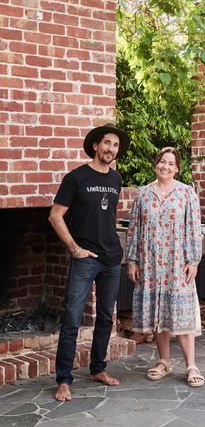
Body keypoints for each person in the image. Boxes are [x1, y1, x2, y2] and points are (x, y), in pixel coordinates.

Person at [48, 123, 130, 402]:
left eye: (115, 145)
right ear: (96, 145)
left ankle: (98, 368)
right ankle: (64, 379)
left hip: (111, 259)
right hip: (85, 260)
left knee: (107, 318)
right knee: (72, 318)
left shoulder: (116, 179)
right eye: (107, 143)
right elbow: (55, 216)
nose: (110, 149)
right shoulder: (75, 178)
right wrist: (74, 248)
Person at [126, 147, 204, 387]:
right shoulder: (143, 194)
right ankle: (164, 361)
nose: (166, 167)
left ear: (177, 168)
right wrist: (132, 260)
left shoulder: (186, 193)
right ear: (156, 164)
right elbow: (134, 229)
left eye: (171, 163)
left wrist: (193, 260)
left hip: (177, 263)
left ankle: (191, 365)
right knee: (158, 312)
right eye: (162, 162)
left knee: (182, 312)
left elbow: (193, 228)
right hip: (150, 264)